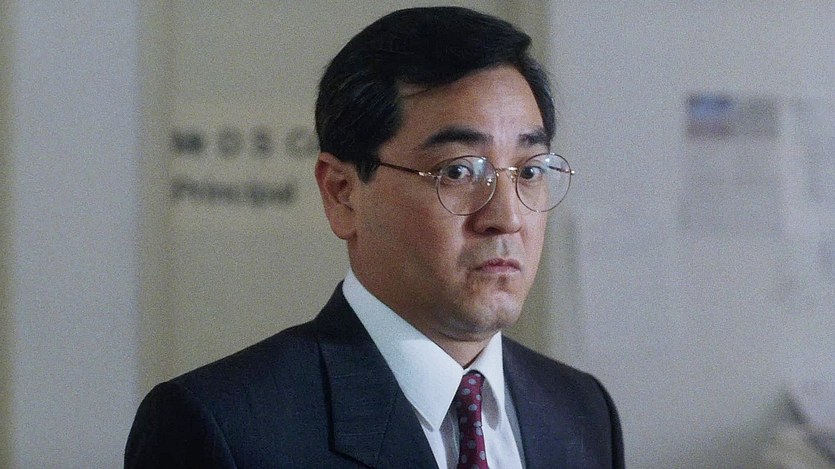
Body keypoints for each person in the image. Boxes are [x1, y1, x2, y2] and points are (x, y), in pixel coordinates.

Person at [125, 6, 623, 468]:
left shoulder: (581, 411)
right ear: (342, 194)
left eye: (530, 171)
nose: (507, 217)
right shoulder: (222, 427)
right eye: (457, 171)